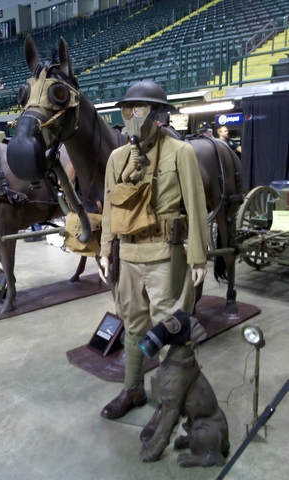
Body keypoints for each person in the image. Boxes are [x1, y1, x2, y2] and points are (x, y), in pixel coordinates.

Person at [98, 81, 208, 420]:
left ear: (159, 113)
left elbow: (196, 203)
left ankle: (168, 402)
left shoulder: (180, 152)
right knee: (132, 324)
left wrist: (198, 256)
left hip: (165, 254)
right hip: (128, 254)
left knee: (168, 326)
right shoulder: (117, 158)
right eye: (127, 110)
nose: (133, 117)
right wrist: (104, 250)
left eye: (141, 109)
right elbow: (109, 210)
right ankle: (133, 389)